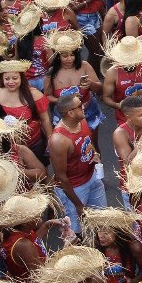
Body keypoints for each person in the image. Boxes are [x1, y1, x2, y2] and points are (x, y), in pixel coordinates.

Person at [49, 93, 107, 235]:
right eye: (79, 106)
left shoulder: (81, 121)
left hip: (92, 177)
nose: (84, 106)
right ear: (70, 112)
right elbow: (61, 177)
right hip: (75, 188)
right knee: (76, 231)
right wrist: (78, 205)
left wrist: (95, 154)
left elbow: (88, 141)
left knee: (103, 218)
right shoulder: (59, 140)